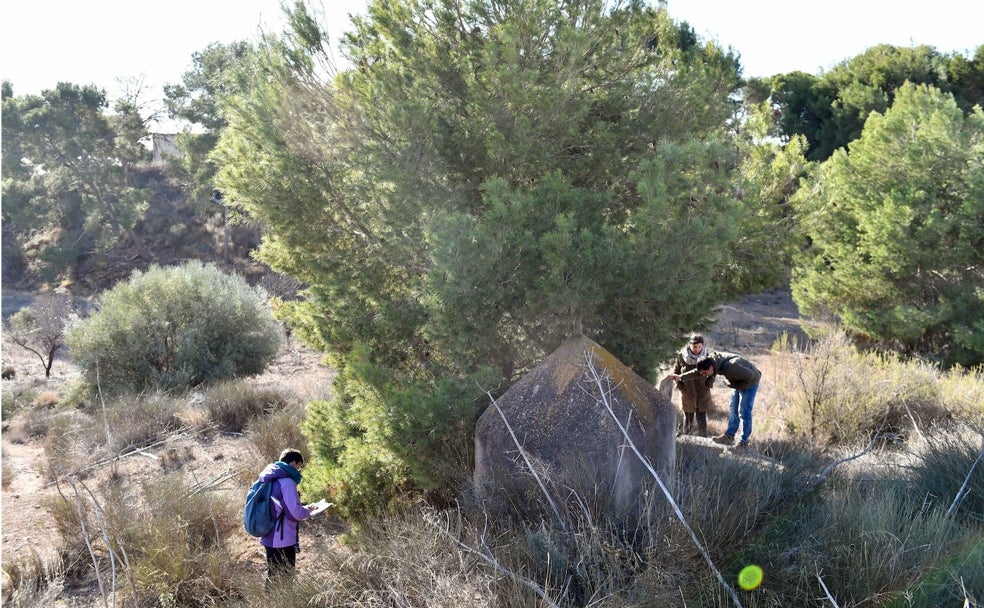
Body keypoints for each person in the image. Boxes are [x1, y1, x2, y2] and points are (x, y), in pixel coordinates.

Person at [670, 351, 761, 448]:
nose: (704, 375)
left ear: (711, 368)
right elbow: (699, 372)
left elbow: (751, 375)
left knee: (743, 412)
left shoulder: (730, 367)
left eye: (705, 373)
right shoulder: (710, 361)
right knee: (733, 409)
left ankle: (743, 442)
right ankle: (729, 437)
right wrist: (681, 377)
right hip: (738, 381)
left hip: (750, 382)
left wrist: (737, 386)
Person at [256, 448, 314, 585]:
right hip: (282, 538)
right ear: (293, 463)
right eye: (299, 466)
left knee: (273, 574)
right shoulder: (287, 482)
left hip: (267, 535)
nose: (299, 470)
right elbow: (295, 513)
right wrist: (309, 510)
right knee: (286, 577)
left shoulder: (269, 477)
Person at [671, 334, 713, 436]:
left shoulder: (708, 356)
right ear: (689, 345)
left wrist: (708, 384)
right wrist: (681, 386)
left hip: (702, 392)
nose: (697, 349)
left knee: (701, 416)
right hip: (687, 392)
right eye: (694, 347)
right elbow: (675, 372)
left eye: (699, 347)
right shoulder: (681, 356)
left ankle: (703, 440)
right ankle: (686, 439)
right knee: (688, 416)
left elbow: (713, 372)